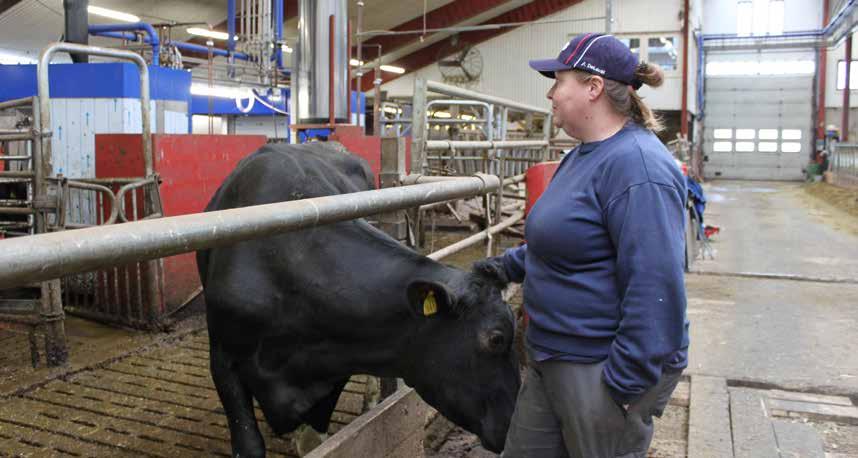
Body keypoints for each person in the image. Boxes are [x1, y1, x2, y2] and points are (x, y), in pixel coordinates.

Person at [474, 33, 690, 458]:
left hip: (597, 368)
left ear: (593, 87)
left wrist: (625, 385)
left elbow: (655, 286)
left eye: (559, 81)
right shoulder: (583, 155)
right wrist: (505, 267)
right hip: (547, 354)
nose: (550, 93)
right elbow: (567, 242)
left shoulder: (638, 168)